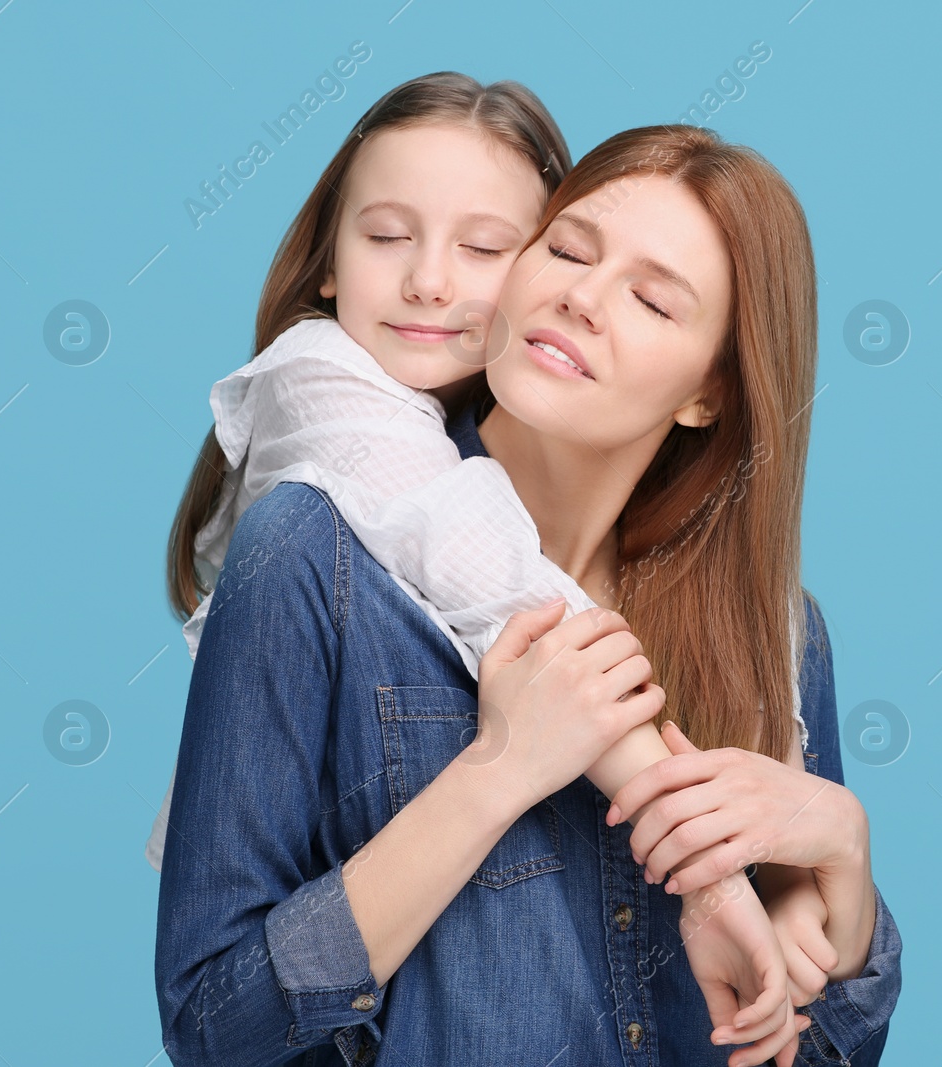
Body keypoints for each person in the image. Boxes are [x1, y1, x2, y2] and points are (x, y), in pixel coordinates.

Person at [155, 123, 902, 1066]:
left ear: (708, 393)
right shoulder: (310, 553)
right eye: (568, 249)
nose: (583, 298)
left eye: (652, 300)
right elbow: (214, 1028)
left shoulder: (777, 640)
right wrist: (496, 774)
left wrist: (844, 859)